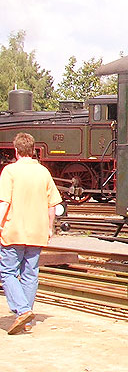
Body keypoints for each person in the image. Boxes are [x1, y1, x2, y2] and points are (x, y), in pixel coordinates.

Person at [0, 133, 62, 334]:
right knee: (30, 274)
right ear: (34, 149)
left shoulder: (9, 171)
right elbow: (52, 205)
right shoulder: (43, 172)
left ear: (16, 150)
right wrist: (50, 227)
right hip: (37, 231)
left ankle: (23, 310)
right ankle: (26, 319)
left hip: (13, 231)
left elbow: (4, 203)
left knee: (8, 272)